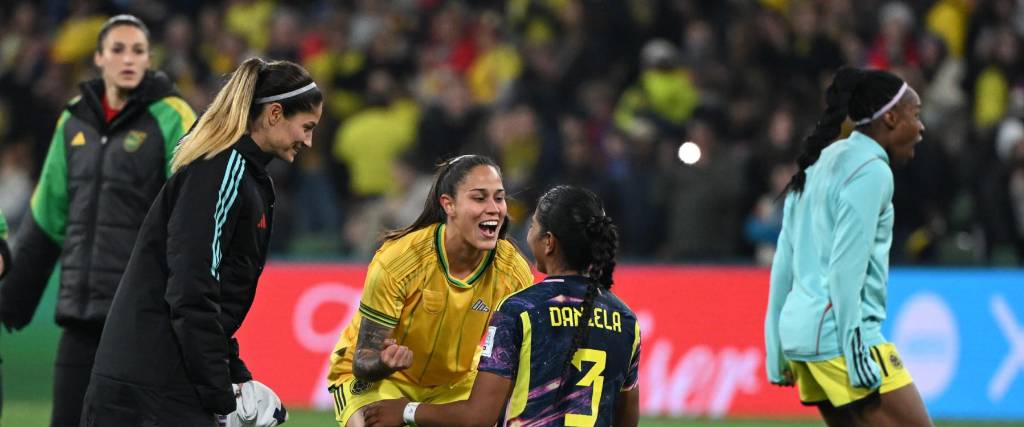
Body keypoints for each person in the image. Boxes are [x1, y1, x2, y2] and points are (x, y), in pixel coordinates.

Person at [80, 57, 322, 426]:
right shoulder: (224, 171)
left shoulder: (243, 175)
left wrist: (236, 374)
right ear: (274, 114)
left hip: (153, 382)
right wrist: (223, 399)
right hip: (151, 391)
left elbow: (210, 301)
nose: (309, 140)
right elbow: (192, 291)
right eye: (306, 126)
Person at [0, 15, 196, 426]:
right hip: (80, 313)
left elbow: (192, 212)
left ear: (149, 59)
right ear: (99, 58)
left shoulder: (173, 117)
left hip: (139, 319)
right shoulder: (73, 119)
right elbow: (48, 213)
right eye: (119, 49)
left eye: (138, 50)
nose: (129, 58)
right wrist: (11, 300)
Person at [363, 185, 641, 427]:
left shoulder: (520, 310)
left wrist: (405, 411)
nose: (527, 233)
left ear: (549, 242)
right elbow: (627, 418)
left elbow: (479, 416)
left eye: (532, 226)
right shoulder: (626, 320)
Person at [763, 67, 933, 427]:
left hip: (802, 337)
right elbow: (845, 271)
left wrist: (775, 345)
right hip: (841, 339)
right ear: (890, 117)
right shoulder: (871, 170)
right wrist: (857, 354)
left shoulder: (816, 164)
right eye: (915, 116)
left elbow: (784, 262)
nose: (920, 129)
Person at [326, 154, 535, 427]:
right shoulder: (399, 260)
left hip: (454, 384)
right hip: (381, 380)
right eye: (479, 198)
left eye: (499, 198)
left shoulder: (514, 272)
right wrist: (385, 363)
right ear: (449, 205)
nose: (494, 208)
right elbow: (363, 361)